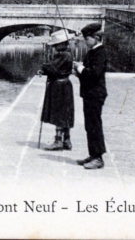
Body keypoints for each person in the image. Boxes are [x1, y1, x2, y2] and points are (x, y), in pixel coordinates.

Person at [73, 23, 108, 170]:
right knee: (89, 125)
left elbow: (94, 74)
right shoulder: (92, 52)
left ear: (95, 38)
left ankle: (98, 158)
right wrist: (79, 72)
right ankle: (93, 154)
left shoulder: (100, 53)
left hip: (95, 94)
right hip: (89, 94)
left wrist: (80, 68)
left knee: (94, 125)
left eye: (86, 39)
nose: (85, 42)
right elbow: (88, 74)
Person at [38, 30, 75, 151]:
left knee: (59, 112)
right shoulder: (68, 54)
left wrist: (44, 67)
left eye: (56, 45)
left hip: (59, 86)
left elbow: (52, 68)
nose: (54, 47)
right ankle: (67, 140)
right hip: (66, 84)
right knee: (66, 111)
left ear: (63, 43)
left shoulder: (62, 55)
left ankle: (58, 141)